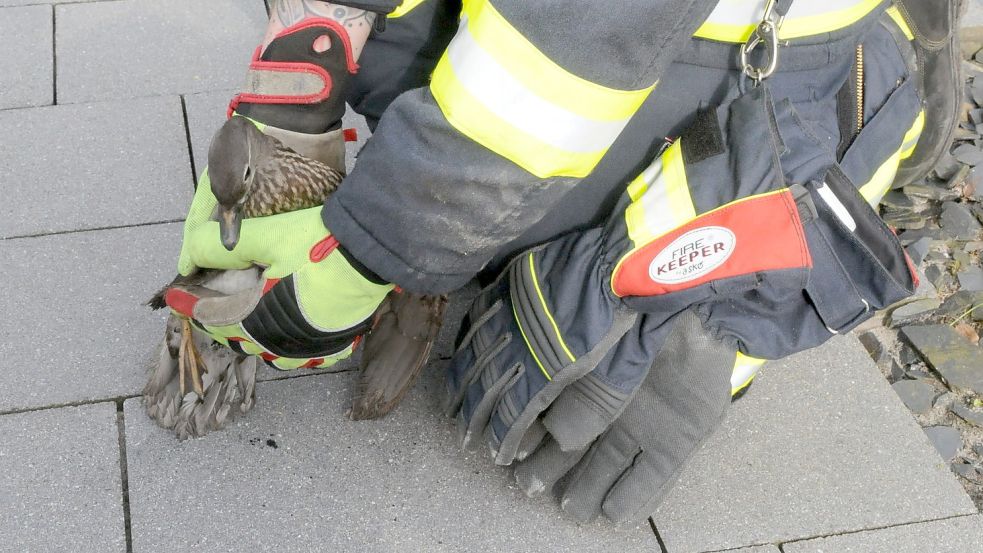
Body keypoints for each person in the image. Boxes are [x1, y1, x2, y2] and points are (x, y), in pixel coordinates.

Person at [172, 0, 962, 523]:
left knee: (476, 87)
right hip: (840, 76)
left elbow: (543, 83)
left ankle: (543, 250)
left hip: (680, 77)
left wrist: (349, 266)